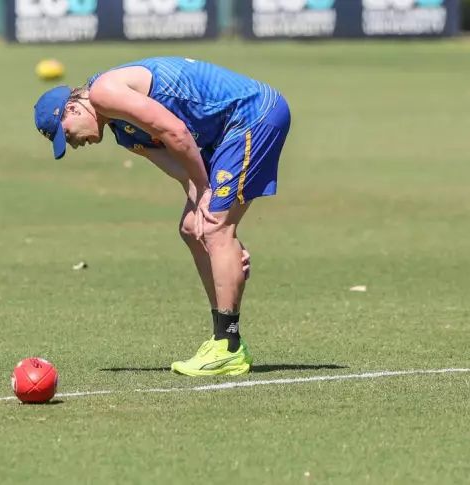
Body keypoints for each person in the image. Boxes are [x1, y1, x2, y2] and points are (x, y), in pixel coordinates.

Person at [33, 57, 291, 376]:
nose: (74, 144)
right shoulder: (126, 134)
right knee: (192, 227)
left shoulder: (104, 91)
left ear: (72, 109)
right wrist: (219, 235)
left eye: (67, 135)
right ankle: (223, 339)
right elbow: (184, 172)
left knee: (214, 226)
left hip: (252, 113)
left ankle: (228, 346)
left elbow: (176, 132)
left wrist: (214, 216)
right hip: (227, 131)